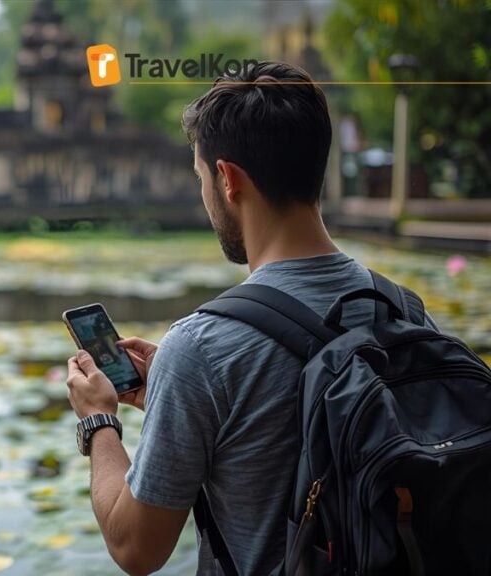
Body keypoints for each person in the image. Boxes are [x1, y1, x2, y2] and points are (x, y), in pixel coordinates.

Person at [63, 61, 437, 575]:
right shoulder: (401, 306)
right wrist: (175, 394)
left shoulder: (200, 346)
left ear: (227, 179)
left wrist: (99, 422)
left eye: (201, 178)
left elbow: (136, 549)